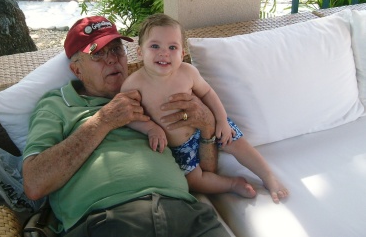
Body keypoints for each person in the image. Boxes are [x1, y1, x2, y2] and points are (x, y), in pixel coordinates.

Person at [22, 16, 232, 236]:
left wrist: (208, 127)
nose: (112, 60)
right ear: (77, 70)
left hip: (185, 213)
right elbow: (35, 183)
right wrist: (103, 120)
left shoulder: (155, 87)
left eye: (116, 50)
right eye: (98, 54)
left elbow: (207, 171)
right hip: (108, 220)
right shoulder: (56, 105)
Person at [121, 14, 289, 204]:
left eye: (172, 47)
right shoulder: (133, 84)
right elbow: (130, 116)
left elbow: (208, 93)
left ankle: (268, 176)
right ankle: (232, 184)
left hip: (207, 127)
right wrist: (151, 128)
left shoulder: (187, 72)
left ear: (182, 52)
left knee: (237, 143)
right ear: (140, 52)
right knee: (194, 181)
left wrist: (222, 120)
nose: (164, 53)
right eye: (155, 46)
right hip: (179, 146)